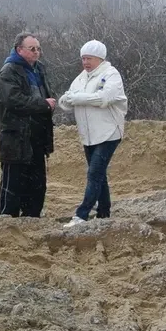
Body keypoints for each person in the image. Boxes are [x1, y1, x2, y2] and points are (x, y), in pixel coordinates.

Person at [58, 40, 128, 226]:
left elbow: (104, 99)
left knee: (94, 173)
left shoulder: (111, 74)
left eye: (89, 58)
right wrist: (68, 100)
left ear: (100, 58)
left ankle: (81, 215)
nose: (85, 62)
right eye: (83, 59)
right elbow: (66, 101)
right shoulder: (81, 78)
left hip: (109, 132)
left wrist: (78, 98)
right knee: (99, 175)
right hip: (88, 135)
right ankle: (104, 213)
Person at [0, 32, 56, 218]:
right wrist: (43, 104)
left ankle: (32, 217)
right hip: (16, 136)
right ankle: (7, 219)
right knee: (13, 181)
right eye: (32, 48)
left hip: (37, 135)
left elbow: (46, 94)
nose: (36, 52)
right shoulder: (8, 72)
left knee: (37, 182)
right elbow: (14, 100)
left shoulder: (39, 69)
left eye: (38, 48)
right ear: (19, 50)